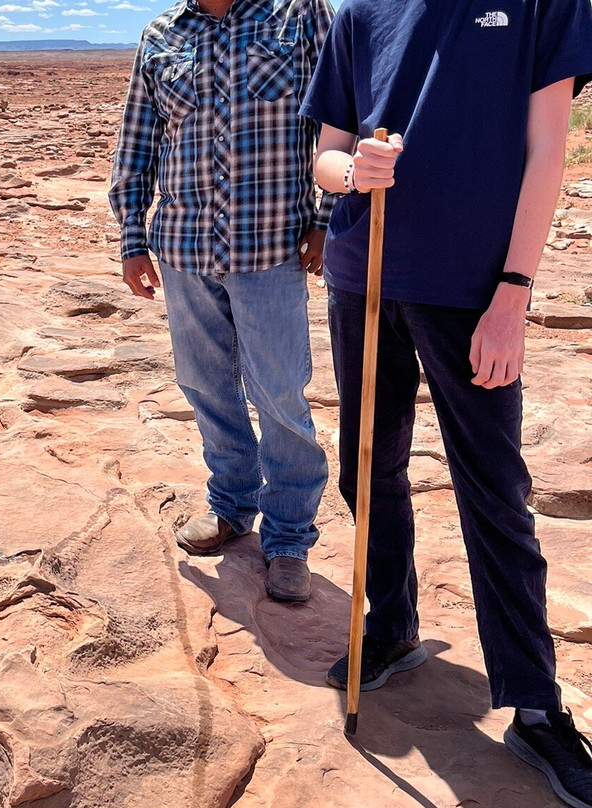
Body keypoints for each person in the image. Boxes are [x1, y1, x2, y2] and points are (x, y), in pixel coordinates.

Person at [300, 0, 592, 803]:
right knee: (370, 466)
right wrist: (351, 168)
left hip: (473, 292)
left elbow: (547, 150)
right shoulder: (361, 12)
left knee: (495, 494)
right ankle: (389, 628)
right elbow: (323, 154)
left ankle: (534, 706)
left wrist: (514, 295)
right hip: (364, 276)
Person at [109, 0, 336, 602]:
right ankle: (232, 503)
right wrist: (133, 237)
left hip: (270, 245)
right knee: (204, 383)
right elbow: (138, 143)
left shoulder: (299, 13)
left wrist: (325, 218)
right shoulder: (162, 34)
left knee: (280, 392)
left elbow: (338, 119)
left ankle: (288, 538)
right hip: (184, 247)